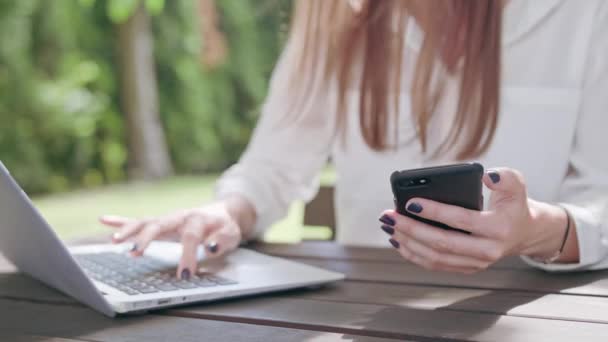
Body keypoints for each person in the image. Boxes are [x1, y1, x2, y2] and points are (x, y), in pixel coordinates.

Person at [101, 0, 608, 279]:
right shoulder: (333, 14)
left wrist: (536, 230)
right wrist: (228, 213)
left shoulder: (580, 13)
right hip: (363, 313)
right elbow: (271, 170)